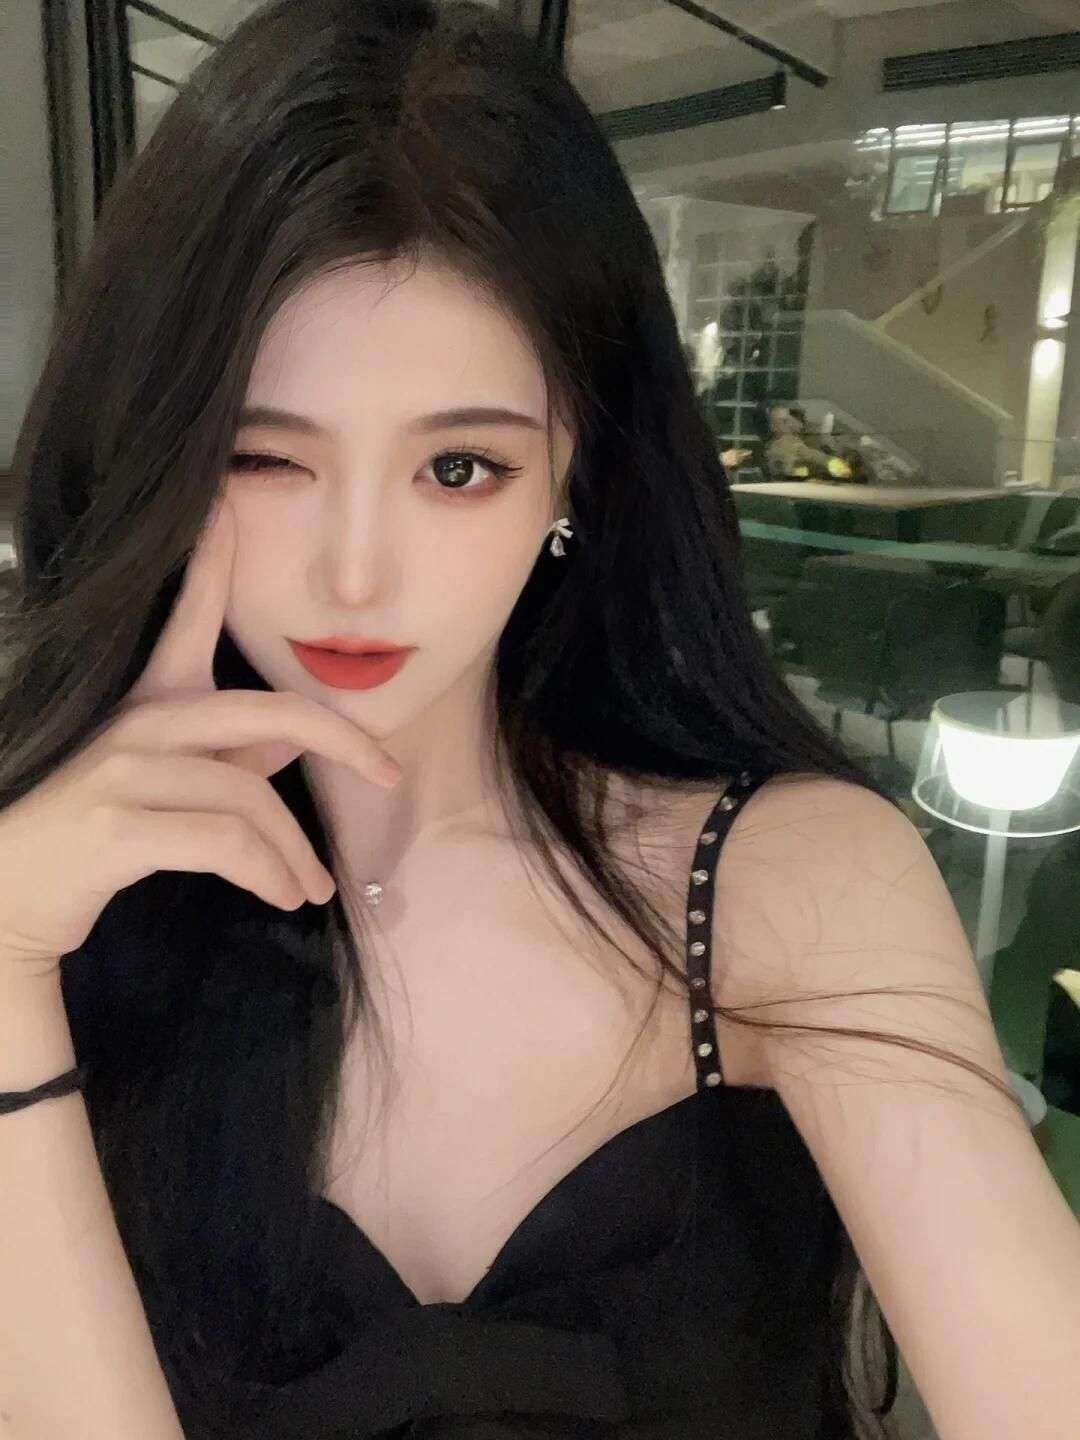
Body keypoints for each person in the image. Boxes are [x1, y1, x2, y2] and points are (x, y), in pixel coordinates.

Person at [1, 4, 1076, 1439]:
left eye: (459, 466)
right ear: (162, 460)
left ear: (574, 468)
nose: (356, 575)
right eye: (266, 460)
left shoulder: (782, 886)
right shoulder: (65, 911)